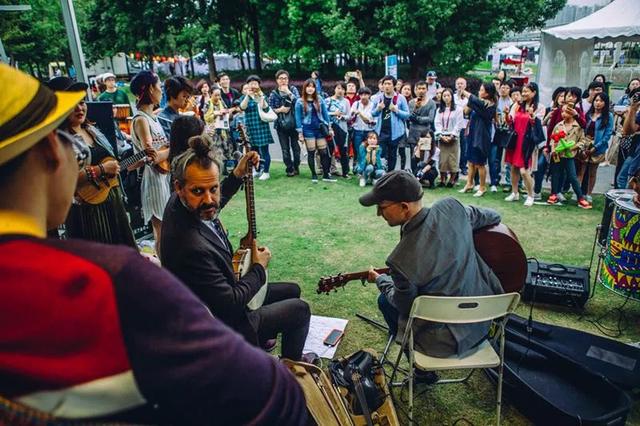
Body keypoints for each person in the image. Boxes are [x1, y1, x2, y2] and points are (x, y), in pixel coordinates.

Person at [0, 63, 307, 425]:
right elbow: (270, 393)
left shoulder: (176, 208)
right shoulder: (111, 280)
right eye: (75, 146)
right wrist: (258, 270)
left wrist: (236, 177)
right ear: (53, 149)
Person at [161, 136, 315, 364]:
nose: (209, 199)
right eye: (198, 191)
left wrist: (236, 175)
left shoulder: (182, 203)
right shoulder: (190, 246)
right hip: (226, 325)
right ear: (179, 187)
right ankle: (293, 369)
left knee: (292, 290)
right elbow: (232, 304)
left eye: (214, 188)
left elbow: (210, 207)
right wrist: (259, 268)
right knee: (300, 310)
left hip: (222, 299)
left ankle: (261, 346)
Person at [360, 171, 504, 359]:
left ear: (404, 207)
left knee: (384, 300)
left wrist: (381, 280)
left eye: (382, 207)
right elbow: (493, 216)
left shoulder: (399, 260)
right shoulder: (452, 208)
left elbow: (405, 306)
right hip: (485, 321)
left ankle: (420, 372)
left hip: (443, 343)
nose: (379, 213)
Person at [53, 78, 137, 248]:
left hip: (111, 202)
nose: (79, 108)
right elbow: (63, 180)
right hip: (87, 212)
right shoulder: (58, 140)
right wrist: (100, 169)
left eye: (82, 101)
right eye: (72, 104)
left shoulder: (92, 130)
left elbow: (114, 163)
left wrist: (135, 161)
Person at [130, 71, 172, 258]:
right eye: (159, 86)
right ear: (149, 89)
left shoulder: (152, 117)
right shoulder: (141, 120)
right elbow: (152, 156)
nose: (161, 90)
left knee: (167, 227)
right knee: (161, 230)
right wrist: (173, 148)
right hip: (153, 179)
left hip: (162, 176)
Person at [504, 83, 545, 207]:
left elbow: (538, 125)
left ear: (534, 93)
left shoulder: (540, 107)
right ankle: (514, 192)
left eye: (527, 91)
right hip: (516, 140)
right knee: (513, 168)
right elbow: (510, 121)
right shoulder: (517, 106)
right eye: (523, 91)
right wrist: (506, 114)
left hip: (527, 142)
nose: (524, 93)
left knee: (524, 170)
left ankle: (530, 195)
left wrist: (532, 116)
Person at [546, 105, 592, 209]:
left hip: (570, 156)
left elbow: (582, 141)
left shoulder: (578, 126)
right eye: (562, 112)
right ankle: (553, 194)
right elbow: (553, 139)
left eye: (566, 112)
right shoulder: (558, 125)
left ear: (572, 113)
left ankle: (580, 198)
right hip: (558, 155)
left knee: (572, 177)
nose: (563, 114)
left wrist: (574, 147)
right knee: (556, 174)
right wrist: (553, 150)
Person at [458, 83, 497, 197]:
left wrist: (465, 92)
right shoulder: (478, 103)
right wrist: (469, 102)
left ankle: (482, 187)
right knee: (470, 161)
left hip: (482, 137)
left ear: (488, 93)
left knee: (480, 163)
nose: (479, 92)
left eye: (481, 90)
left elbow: (477, 101)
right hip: (472, 134)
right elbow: (466, 111)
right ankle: (469, 184)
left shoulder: (490, 104)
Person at [295, 78, 334, 182]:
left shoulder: (320, 99)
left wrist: (329, 127)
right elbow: (298, 118)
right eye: (308, 86)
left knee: (324, 152)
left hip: (320, 128)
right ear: (305, 88)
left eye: (312, 86)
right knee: (311, 152)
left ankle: (326, 174)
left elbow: (325, 114)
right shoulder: (299, 101)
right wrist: (300, 133)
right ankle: (314, 175)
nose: (310, 89)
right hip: (308, 129)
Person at [576, 92, 613, 202]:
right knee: (581, 170)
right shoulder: (588, 114)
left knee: (592, 171)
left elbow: (607, 134)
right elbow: (582, 128)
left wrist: (596, 147)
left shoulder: (608, 116)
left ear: (605, 103)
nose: (598, 103)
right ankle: (577, 193)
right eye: (596, 100)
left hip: (598, 145)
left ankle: (588, 194)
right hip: (585, 143)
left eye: (601, 101)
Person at [239, 75, 275, 181]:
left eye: (255, 83)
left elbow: (266, 108)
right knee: (253, 151)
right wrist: (248, 95)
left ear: (259, 85)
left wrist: (261, 97)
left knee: (264, 150)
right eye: (251, 83)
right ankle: (256, 170)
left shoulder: (261, 95)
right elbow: (242, 107)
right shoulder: (245, 96)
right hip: (250, 126)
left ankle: (266, 171)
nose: (253, 85)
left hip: (261, 126)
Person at [372, 75, 410, 172]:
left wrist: (396, 110)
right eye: (385, 84)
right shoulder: (378, 98)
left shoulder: (400, 98)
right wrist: (378, 109)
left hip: (395, 132)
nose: (387, 86)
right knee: (381, 153)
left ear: (394, 86)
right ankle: (380, 173)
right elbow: (372, 113)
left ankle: (390, 174)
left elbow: (407, 115)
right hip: (381, 131)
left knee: (392, 154)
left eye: (389, 84)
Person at [269, 69, 301, 177]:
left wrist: (288, 92)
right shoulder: (274, 94)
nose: (283, 81)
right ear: (277, 80)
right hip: (281, 125)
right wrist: (280, 110)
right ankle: (289, 168)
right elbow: (269, 110)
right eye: (281, 78)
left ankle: (296, 166)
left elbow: (299, 103)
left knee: (296, 149)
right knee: (285, 149)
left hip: (294, 124)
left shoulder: (293, 89)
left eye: (285, 78)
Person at [435, 88, 464, 187]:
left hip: (453, 137)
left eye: (448, 96)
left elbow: (459, 124)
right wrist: (441, 135)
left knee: (453, 159)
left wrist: (452, 135)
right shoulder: (439, 110)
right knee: (442, 159)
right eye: (444, 96)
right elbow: (437, 123)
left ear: (452, 97)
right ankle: (442, 179)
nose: (446, 98)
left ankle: (452, 179)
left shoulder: (458, 109)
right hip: (442, 137)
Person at [407, 82, 436, 174]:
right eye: (419, 88)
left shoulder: (431, 103)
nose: (421, 91)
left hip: (425, 133)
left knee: (425, 156)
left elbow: (430, 118)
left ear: (427, 90)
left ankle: (423, 175)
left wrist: (418, 118)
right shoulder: (411, 102)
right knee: (414, 156)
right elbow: (410, 117)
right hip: (413, 132)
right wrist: (416, 108)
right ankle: (414, 176)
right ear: (415, 90)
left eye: (423, 88)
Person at [490, 80, 513, 192]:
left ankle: (509, 181)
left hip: (509, 132)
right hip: (497, 131)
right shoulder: (496, 101)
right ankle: (495, 180)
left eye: (506, 88)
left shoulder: (512, 102)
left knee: (509, 158)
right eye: (502, 87)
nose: (503, 90)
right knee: (495, 158)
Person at [326, 82, 352, 178]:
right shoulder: (328, 100)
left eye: (342, 89)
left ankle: (345, 172)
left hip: (343, 129)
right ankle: (327, 171)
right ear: (334, 89)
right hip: (331, 128)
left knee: (343, 150)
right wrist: (334, 113)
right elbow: (324, 114)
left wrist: (342, 117)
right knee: (329, 150)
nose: (340, 91)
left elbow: (349, 116)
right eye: (338, 88)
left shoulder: (346, 101)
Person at [351, 87, 377, 172]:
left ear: (369, 95)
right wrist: (352, 114)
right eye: (361, 94)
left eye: (365, 94)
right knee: (358, 151)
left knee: (369, 150)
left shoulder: (373, 105)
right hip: (357, 130)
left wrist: (360, 114)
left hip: (369, 131)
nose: (363, 96)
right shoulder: (356, 104)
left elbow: (370, 121)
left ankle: (368, 169)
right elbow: (350, 116)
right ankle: (358, 169)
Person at [454, 77, 470, 176]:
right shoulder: (452, 96)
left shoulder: (468, 98)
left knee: (464, 147)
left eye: (462, 84)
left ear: (465, 85)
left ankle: (463, 166)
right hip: (454, 125)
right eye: (458, 84)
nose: (460, 85)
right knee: (453, 147)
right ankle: (453, 167)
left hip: (464, 125)